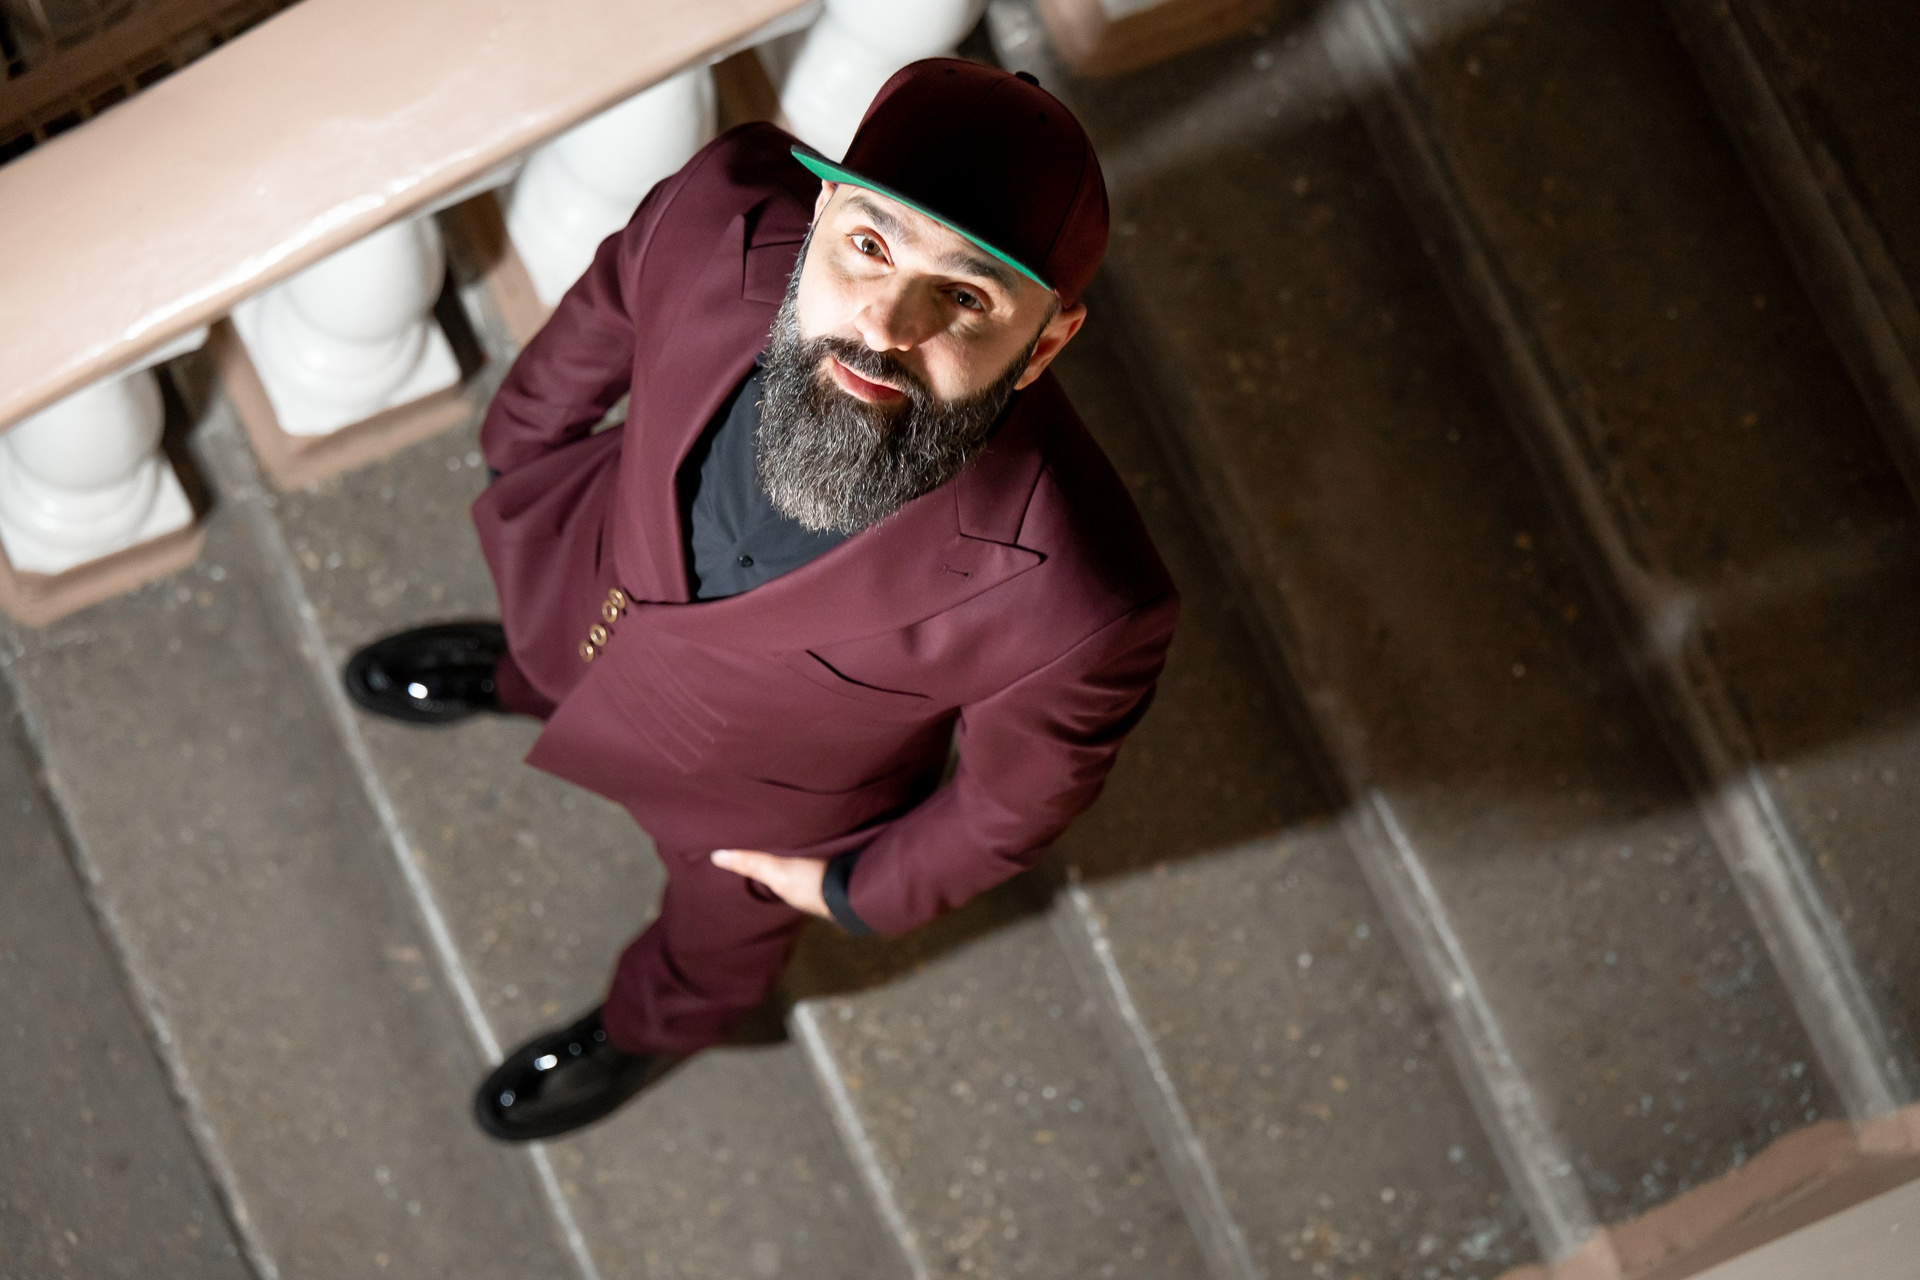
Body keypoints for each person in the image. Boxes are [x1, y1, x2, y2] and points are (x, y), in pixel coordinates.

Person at [343, 57, 1177, 1142]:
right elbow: (606, 307)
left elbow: (1009, 807)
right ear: (822, 210)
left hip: (754, 814)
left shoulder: (1081, 607)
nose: (885, 323)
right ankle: (517, 677)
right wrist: (523, 449)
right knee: (551, 655)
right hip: (588, 585)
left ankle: (651, 1024)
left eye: (965, 296)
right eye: (870, 246)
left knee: (714, 945)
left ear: (1046, 342)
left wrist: (851, 890)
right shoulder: (723, 209)